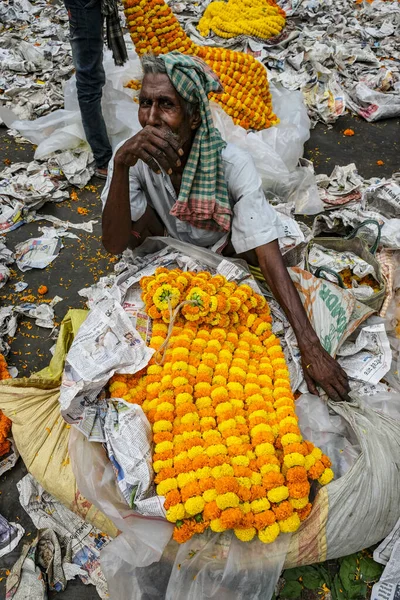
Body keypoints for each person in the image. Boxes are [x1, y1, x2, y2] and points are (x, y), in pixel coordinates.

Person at [101, 52, 351, 402]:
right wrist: (122, 165)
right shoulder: (133, 158)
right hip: (168, 261)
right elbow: (114, 244)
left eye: (166, 105)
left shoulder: (231, 164)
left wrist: (310, 346)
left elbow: (266, 253)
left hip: (223, 255)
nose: (151, 118)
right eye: (145, 103)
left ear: (193, 117)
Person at [64, 0, 127, 178]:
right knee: (90, 80)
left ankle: (103, 153)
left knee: (92, 76)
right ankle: (104, 160)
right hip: (83, 6)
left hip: (86, 6)